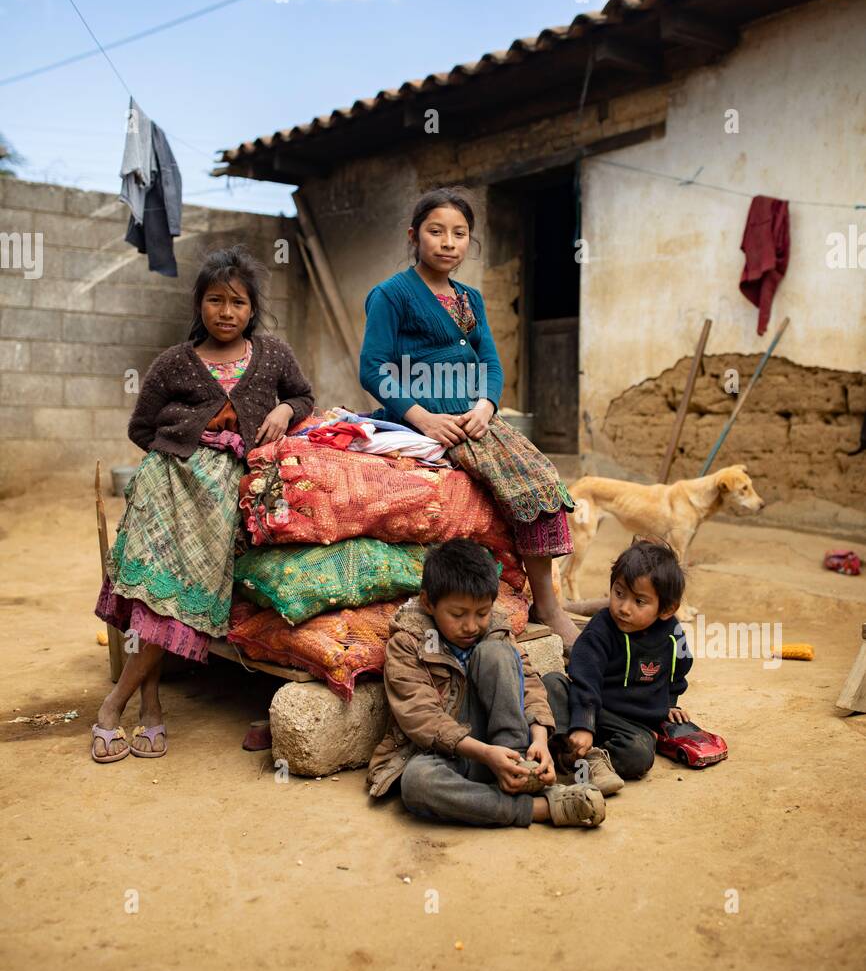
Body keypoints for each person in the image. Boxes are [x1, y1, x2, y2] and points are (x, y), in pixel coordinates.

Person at [90, 245, 314, 762]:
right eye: (215, 300)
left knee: (179, 593)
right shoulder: (174, 362)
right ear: (199, 306)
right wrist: (185, 449)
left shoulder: (274, 355)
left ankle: (122, 702)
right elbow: (141, 427)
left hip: (222, 497)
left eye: (237, 302)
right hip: (166, 484)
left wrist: (281, 408)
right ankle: (145, 704)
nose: (226, 312)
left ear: (252, 309)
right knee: (151, 589)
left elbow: (304, 397)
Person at [359, 186, 578, 651]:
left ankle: (546, 603)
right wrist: (423, 419)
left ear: (469, 242)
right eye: (435, 231)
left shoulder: (470, 299)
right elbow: (373, 367)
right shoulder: (391, 295)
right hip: (426, 413)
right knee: (526, 483)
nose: (447, 242)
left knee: (543, 480)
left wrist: (487, 406)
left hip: (475, 417)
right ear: (414, 235)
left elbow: (491, 365)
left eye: (459, 233)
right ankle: (550, 607)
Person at [366, 539, 606, 828]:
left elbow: (528, 682)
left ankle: (521, 771)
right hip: (455, 753)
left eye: (482, 613)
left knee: (502, 657)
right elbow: (421, 717)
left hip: (504, 749)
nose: (471, 626)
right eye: (458, 615)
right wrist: (486, 755)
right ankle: (538, 807)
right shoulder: (408, 642)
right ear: (429, 602)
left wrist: (539, 742)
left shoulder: (496, 630)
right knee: (418, 783)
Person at [543, 538, 694, 792]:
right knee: (552, 684)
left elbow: (680, 667)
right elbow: (585, 678)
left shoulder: (673, 633)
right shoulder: (600, 630)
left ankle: (586, 759)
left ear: (667, 609)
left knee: (639, 754)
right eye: (619, 593)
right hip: (589, 705)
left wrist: (670, 703)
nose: (624, 608)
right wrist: (584, 724)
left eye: (639, 601)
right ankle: (568, 748)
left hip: (631, 724)